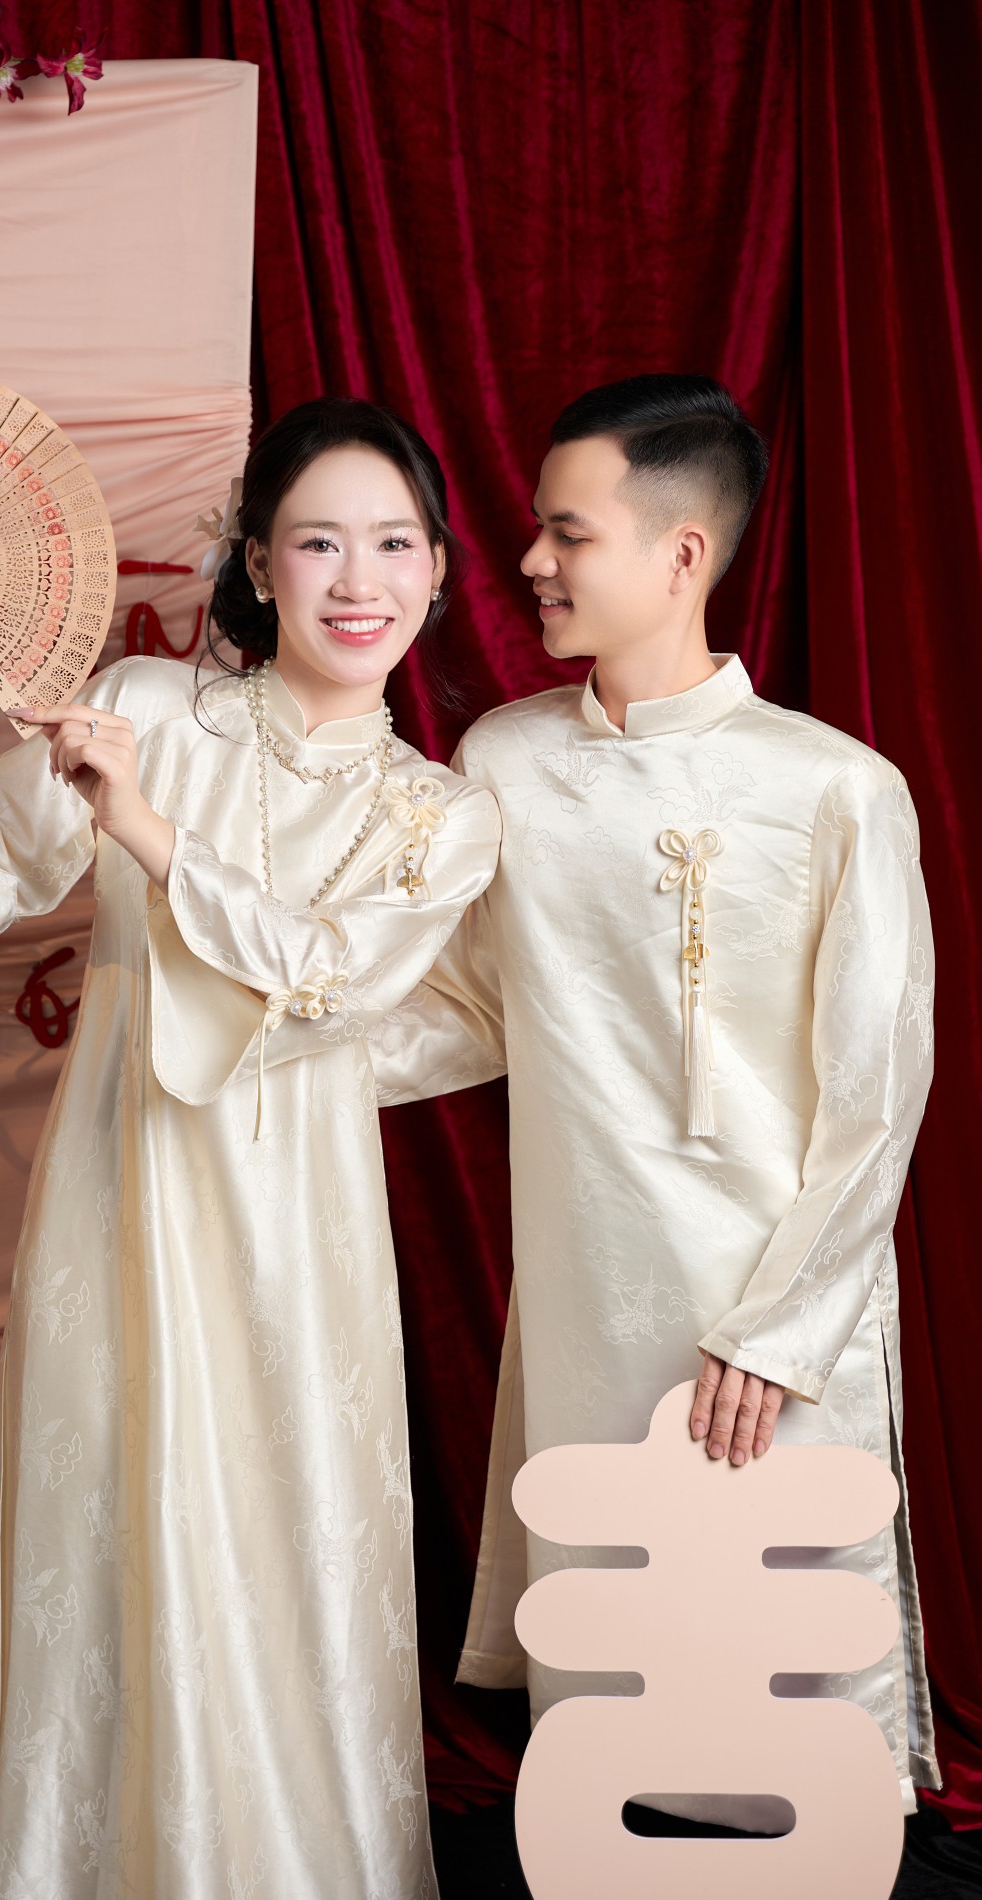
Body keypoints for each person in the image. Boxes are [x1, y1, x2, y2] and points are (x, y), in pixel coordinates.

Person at [0, 397, 501, 1899]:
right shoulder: (149, 705)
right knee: (105, 1536)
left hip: (301, 1234)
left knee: (286, 1552)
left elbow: (327, 980)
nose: (359, 580)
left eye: (395, 544)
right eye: (318, 542)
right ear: (257, 564)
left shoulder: (443, 815)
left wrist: (143, 829)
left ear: (438, 569)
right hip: (120, 1195)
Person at [370, 374, 939, 1822]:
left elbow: (877, 1093)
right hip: (588, 1294)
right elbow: (468, 1009)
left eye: (568, 533)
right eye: (537, 530)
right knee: (617, 1719)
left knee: (788, 1717)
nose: (530, 562)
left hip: (769, 1305)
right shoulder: (504, 761)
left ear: (682, 554)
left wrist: (782, 1330)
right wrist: (262, 1046)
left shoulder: (837, 790)